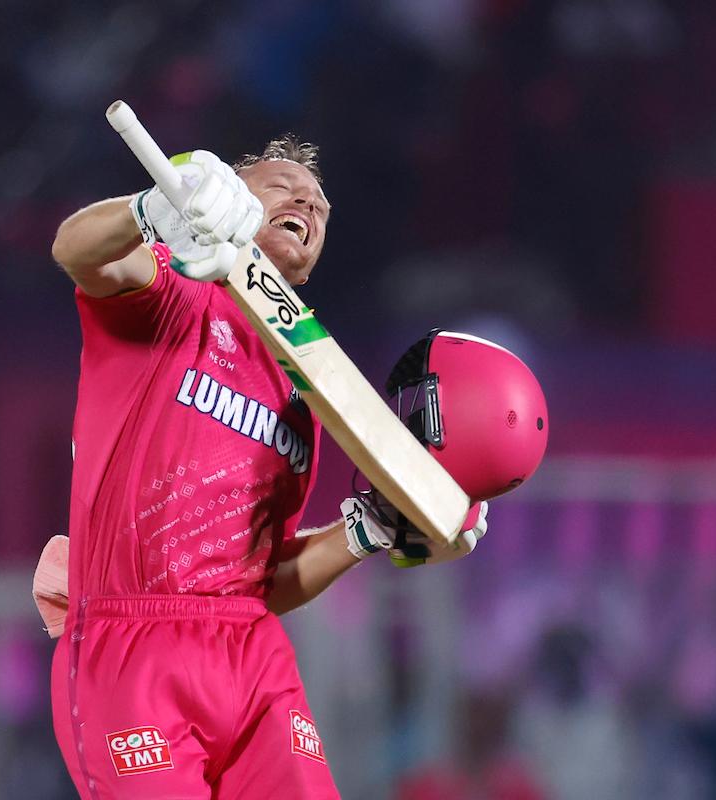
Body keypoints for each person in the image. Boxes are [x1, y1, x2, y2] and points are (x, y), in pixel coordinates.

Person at [37, 137, 488, 799]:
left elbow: (260, 583)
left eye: (321, 205)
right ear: (227, 190)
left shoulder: (303, 394)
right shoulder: (169, 290)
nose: (308, 200)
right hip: (134, 646)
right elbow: (75, 250)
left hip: (252, 653)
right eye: (283, 184)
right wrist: (149, 209)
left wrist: (364, 533)